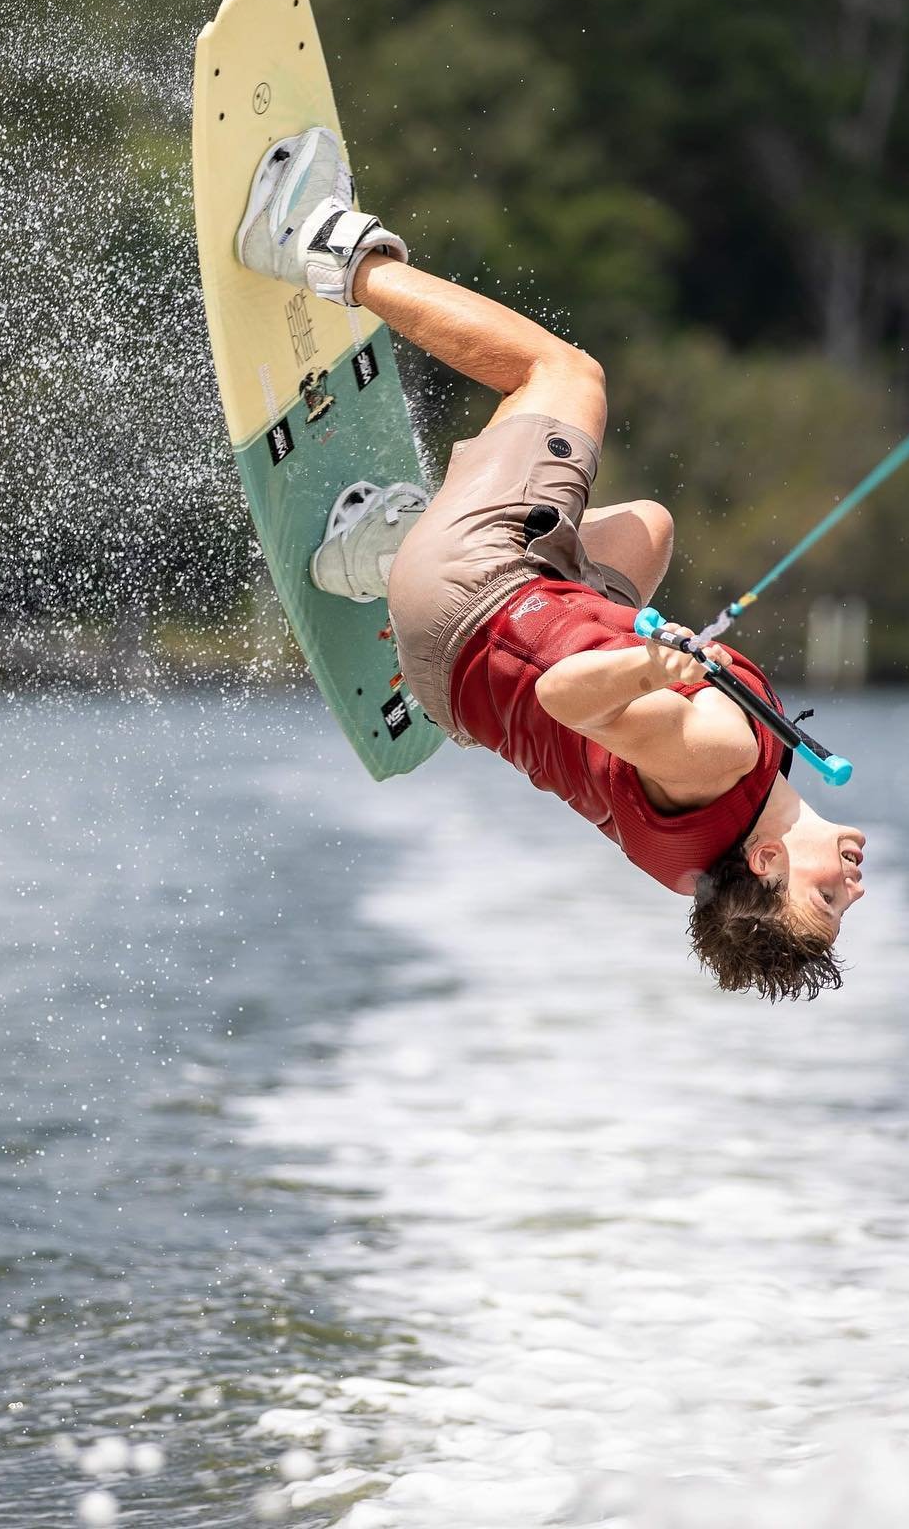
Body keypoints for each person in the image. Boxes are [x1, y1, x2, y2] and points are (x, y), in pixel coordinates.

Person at [236, 129, 866, 999]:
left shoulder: (721, 750)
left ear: (764, 861)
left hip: (471, 595)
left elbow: (562, 695)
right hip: (451, 683)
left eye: (826, 896)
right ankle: (376, 550)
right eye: (844, 903)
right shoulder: (694, 866)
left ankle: (313, 242)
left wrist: (655, 662)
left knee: (563, 375)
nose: (853, 885)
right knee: (644, 529)